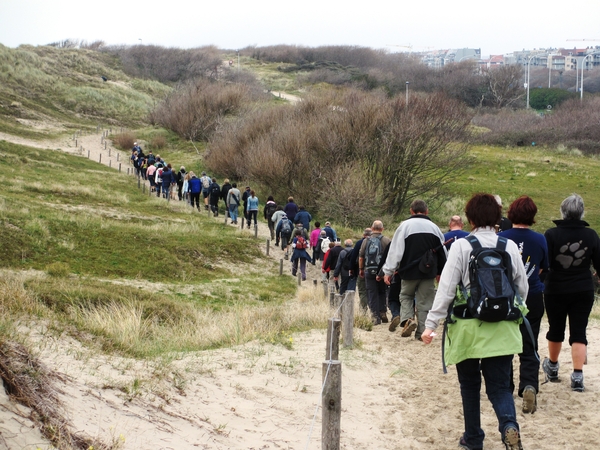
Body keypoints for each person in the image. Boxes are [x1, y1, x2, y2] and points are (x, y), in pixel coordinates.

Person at [421, 193, 528, 450]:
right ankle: (508, 426)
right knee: (500, 386)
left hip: (467, 328)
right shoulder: (509, 246)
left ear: (470, 218)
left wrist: (430, 325)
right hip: (502, 329)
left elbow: (446, 290)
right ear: (497, 218)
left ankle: (473, 438)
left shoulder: (461, 246)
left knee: (469, 385)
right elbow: (521, 289)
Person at [542, 194, 600, 393]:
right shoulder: (591, 235)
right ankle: (577, 376)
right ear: (582, 212)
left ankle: (552, 366)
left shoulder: (551, 235)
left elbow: (545, 264)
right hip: (583, 288)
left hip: (556, 288)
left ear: (563, 211)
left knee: (555, 328)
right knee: (579, 332)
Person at [499, 195, 549, 413]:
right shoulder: (540, 239)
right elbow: (542, 268)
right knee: (530, 344)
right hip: (533, 297)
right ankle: (529, 385)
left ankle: (506, 385)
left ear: (511, 214)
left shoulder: (501, 237)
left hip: (505, 298)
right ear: (533, 216)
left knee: (506, 344)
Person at [383, 199, 447, 338]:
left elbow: (395, 251)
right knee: (425, 303)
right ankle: (421, 333)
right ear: (427, 211)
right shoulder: (435, 228)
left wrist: (388, 271)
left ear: (411, 211)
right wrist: (441, 272)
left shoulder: (405, 226)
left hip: (408, 271)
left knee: (405, 296)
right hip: (428, 272)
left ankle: (408, 319)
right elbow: (443, 252)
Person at [359, 220, 391, 325]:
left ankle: (375, 316)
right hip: (383, 271)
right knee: (382, 291)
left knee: (372, 293)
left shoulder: (366, 241)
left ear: (372, 229)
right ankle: (383, 312)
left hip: (369, 270)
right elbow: (391, 257)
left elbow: (361, 256)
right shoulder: (386, 240)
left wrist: (361, 269)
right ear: (382, 229)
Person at [352, 228, 372, 312]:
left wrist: (352, 269)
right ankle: (375, 311)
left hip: (363, 270)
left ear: (363, 235)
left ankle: (363, 310)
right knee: (372, 291)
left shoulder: (359, 243)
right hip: (376, 270)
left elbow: (354, 257)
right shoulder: (379, 241)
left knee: (362, 290)